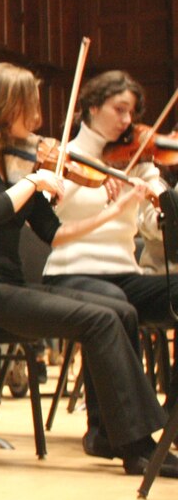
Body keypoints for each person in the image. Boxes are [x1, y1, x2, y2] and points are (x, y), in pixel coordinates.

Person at [0, 61, 177, 479]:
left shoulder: (16, 167)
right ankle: (138, 447)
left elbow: (57, 234)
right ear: (2, 107)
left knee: (120, 311)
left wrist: (116, 209)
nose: (37, 120)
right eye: (28, 107)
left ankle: (109, 433)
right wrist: (32, 183)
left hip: (10, 287)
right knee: (101, 318)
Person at [41, 70, 178, 446]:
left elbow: (153, 229)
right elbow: (48, 219)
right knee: (114, 305)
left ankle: (174, 418)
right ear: (91, 106)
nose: (127, 121)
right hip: (72, 273)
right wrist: (107, 191)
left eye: (131, 113)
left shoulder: (137, 160)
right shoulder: (63, 157)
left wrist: (157, 195)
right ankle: (106, 430)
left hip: (125, 272)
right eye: (119, 110)